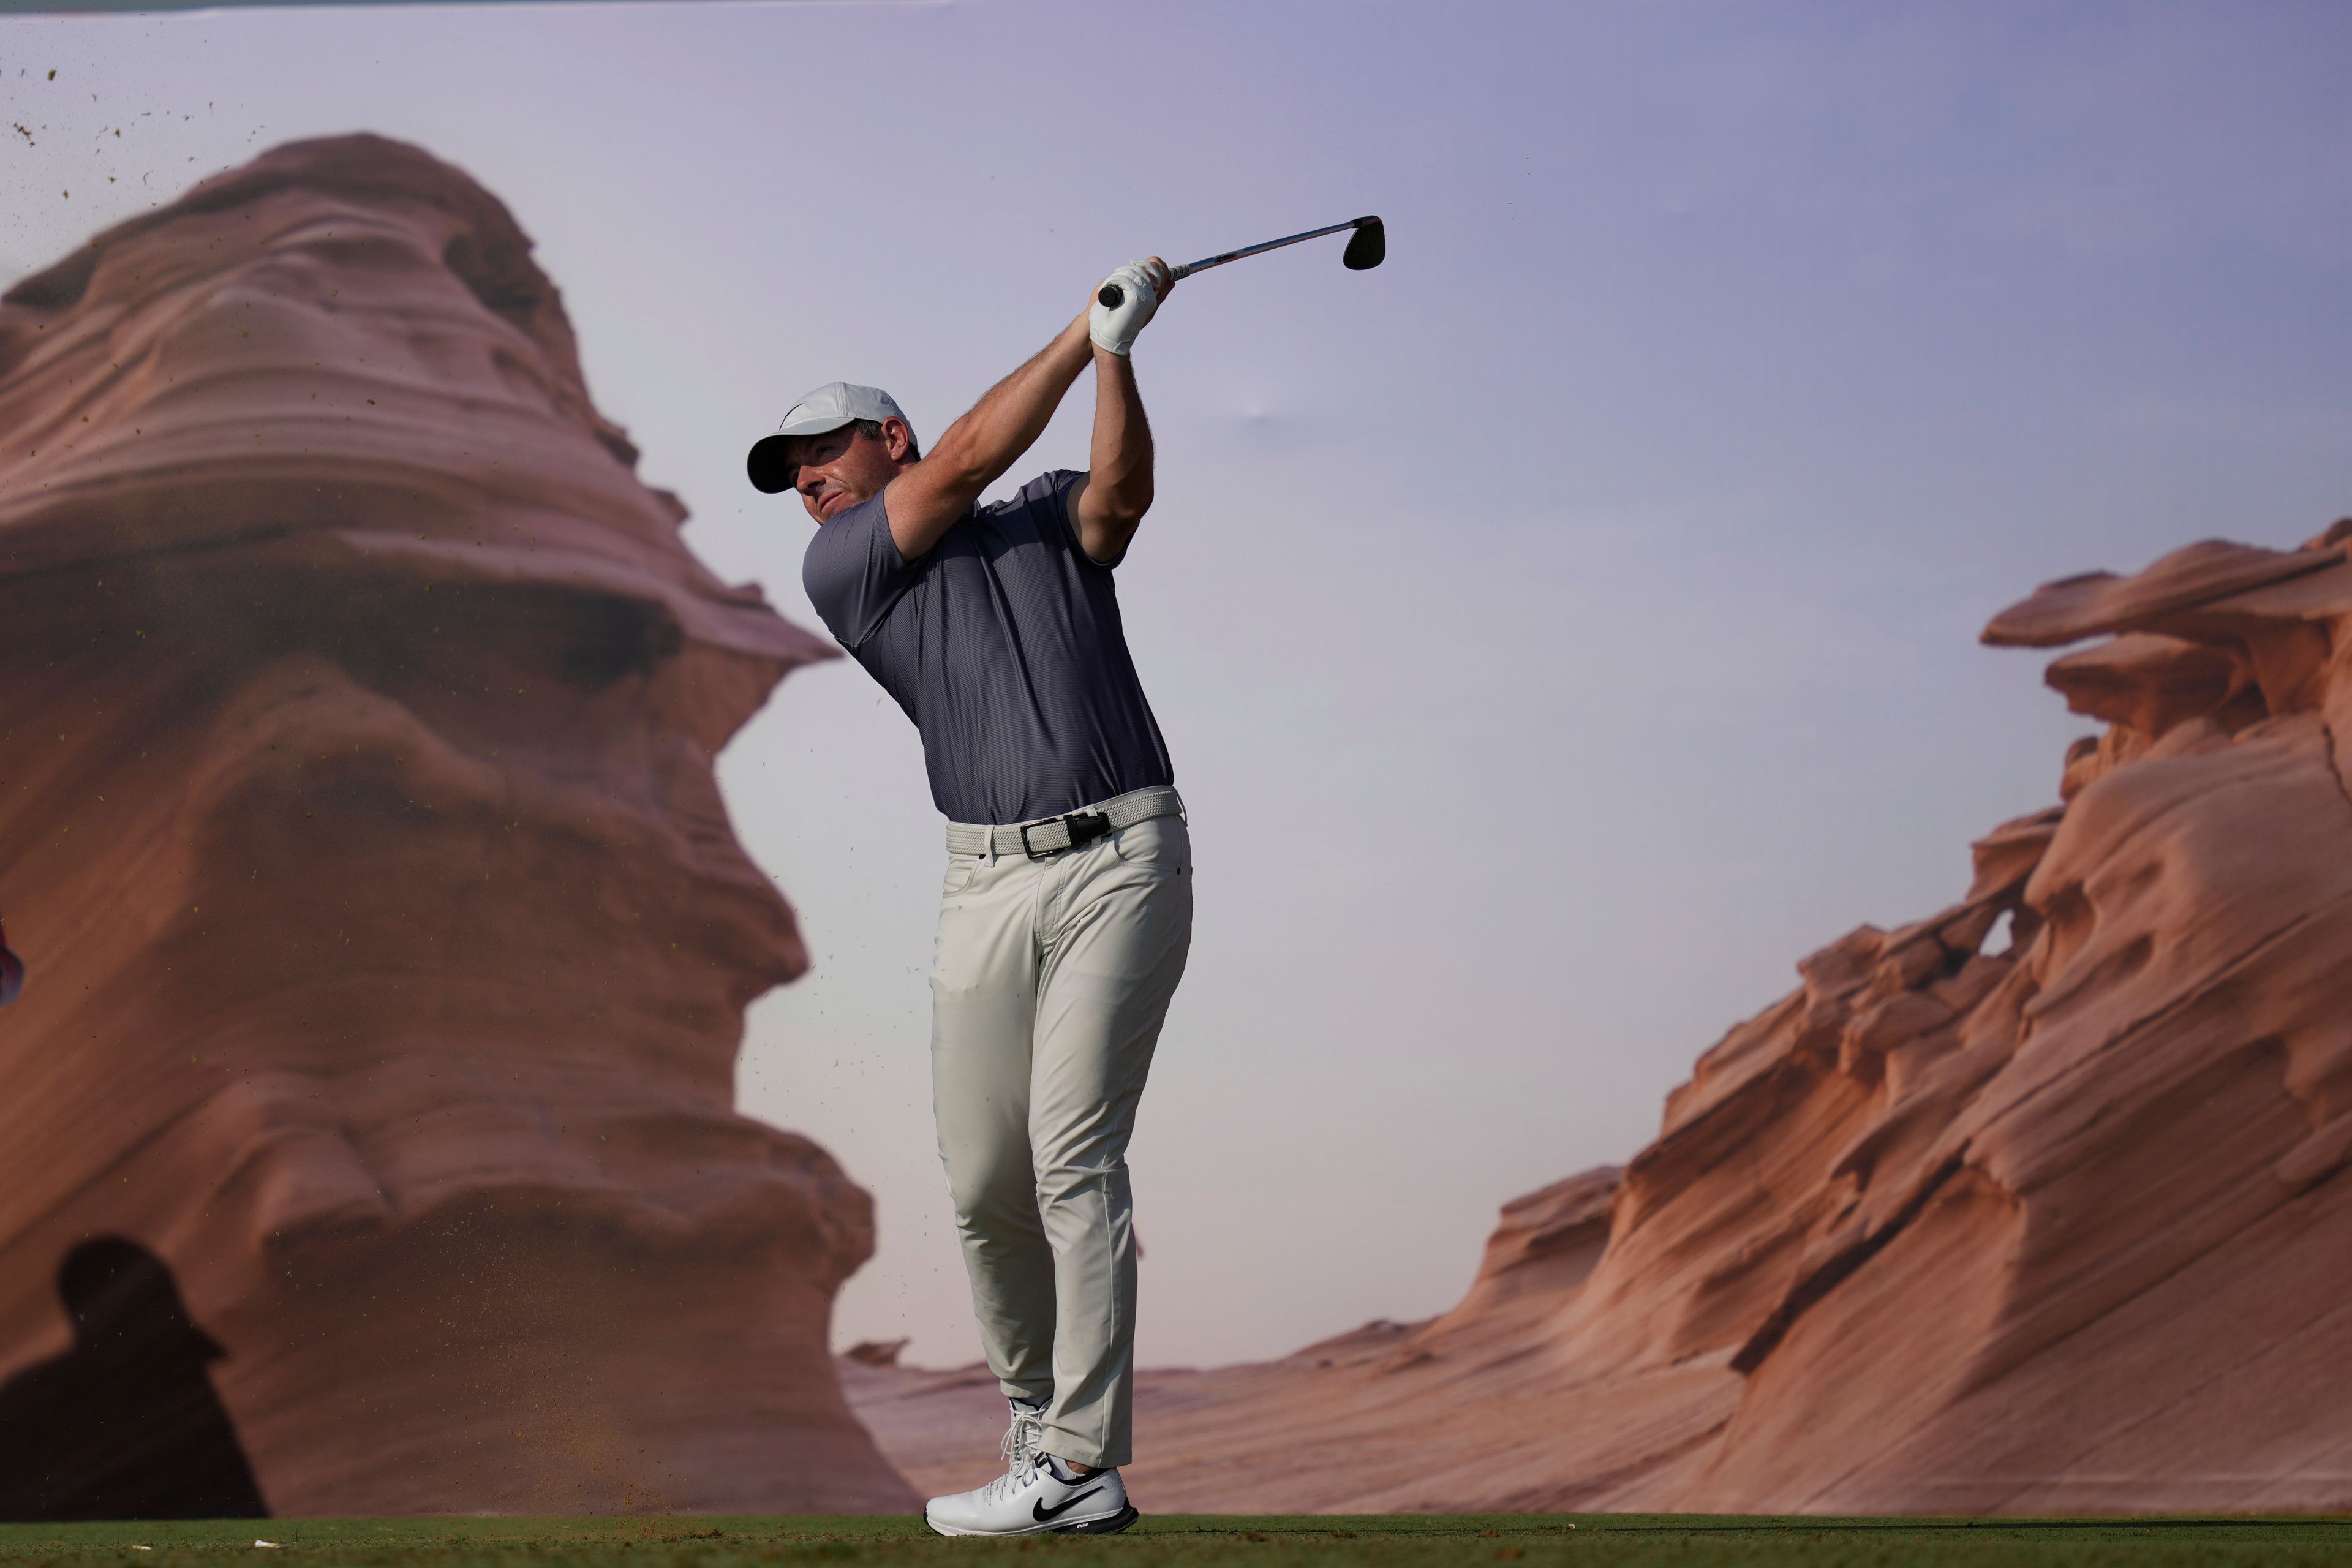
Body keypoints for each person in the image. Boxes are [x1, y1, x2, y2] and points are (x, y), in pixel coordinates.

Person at [747, 259, 1191, 1537]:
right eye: (790, 472)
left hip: (1123, 856)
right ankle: (1037, 1434)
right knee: (985, 1177)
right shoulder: (847, 567)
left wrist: (1115, 357)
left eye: (820, 452)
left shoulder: (1040, 514)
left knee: (1069, 1154)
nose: (806, 480)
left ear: (882, 435)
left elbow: (1119, 499)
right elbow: (963, 460)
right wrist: (1078, 331)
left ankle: (1082, 1461)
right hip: (981, 885)